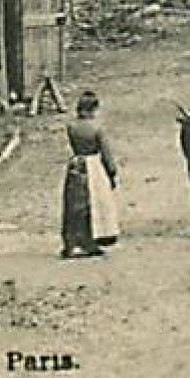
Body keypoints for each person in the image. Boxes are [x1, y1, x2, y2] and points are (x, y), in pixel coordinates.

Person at [61, 90, 119, 258]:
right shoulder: (96, 129)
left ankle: (72, 244)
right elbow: (106, 153)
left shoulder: (72, 127)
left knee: (74, 206)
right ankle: (90, 242)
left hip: (76, 164)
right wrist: (112, 173)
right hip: (94, 166)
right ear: (93, 109)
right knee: (93, 205)